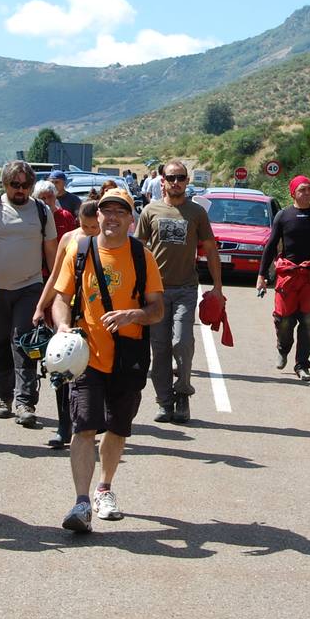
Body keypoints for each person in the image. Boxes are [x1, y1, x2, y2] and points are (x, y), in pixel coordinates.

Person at [50, 188, 164, 532]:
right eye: (106, 211)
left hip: (127, 357)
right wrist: (63, 326)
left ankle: (104, 488)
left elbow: (157, 309)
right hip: (86, 357)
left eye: (120, 212)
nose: (112, 217)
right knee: (83, 426)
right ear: (96, 215)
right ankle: (81, 502)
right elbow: (61, 296)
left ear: (131, 219)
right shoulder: (79, 250)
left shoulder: (142, 257)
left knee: (117, 427)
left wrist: (133, 315)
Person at [0, 160, 58, 427]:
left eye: (26, 185)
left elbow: (52, 253)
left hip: (29, 287)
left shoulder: (42, 211)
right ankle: (2, 397)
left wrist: (54, 292)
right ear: (5, 184)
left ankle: (25, 401)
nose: (21, 190)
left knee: (25, 343)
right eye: (15, 185)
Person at [135, 159, 222, 424]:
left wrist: (217, 287)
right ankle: (165, 402)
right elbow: (138, 249)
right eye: (171, 178)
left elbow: (210, 249)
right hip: (156, 291)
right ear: (162, 181)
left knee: (181, 343)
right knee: (159, 349)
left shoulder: (196, 213)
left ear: (187, 181)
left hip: (185, 288)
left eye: (180, 177)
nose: (175, 182)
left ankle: (182, 392)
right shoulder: (150, 211)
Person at [257, 175, 310, 380]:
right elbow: (270, 246)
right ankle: (283, 348)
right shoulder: (283, 216)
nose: (307, 193)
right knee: (284, 320)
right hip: (288, 275)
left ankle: (302, 364)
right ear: (292, 192)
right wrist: (261, 275)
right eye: (302, 189)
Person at [34, 199, 101, 449]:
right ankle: (64, 427)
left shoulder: (109, 243)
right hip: (66, 312)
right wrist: (41, 306)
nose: (89, 232)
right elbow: (55, 276)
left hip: (94, 315)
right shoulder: (69, 239)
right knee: (61, 366)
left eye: (94, 227)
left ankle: (87, 422)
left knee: (90, 369)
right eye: (84, 226)